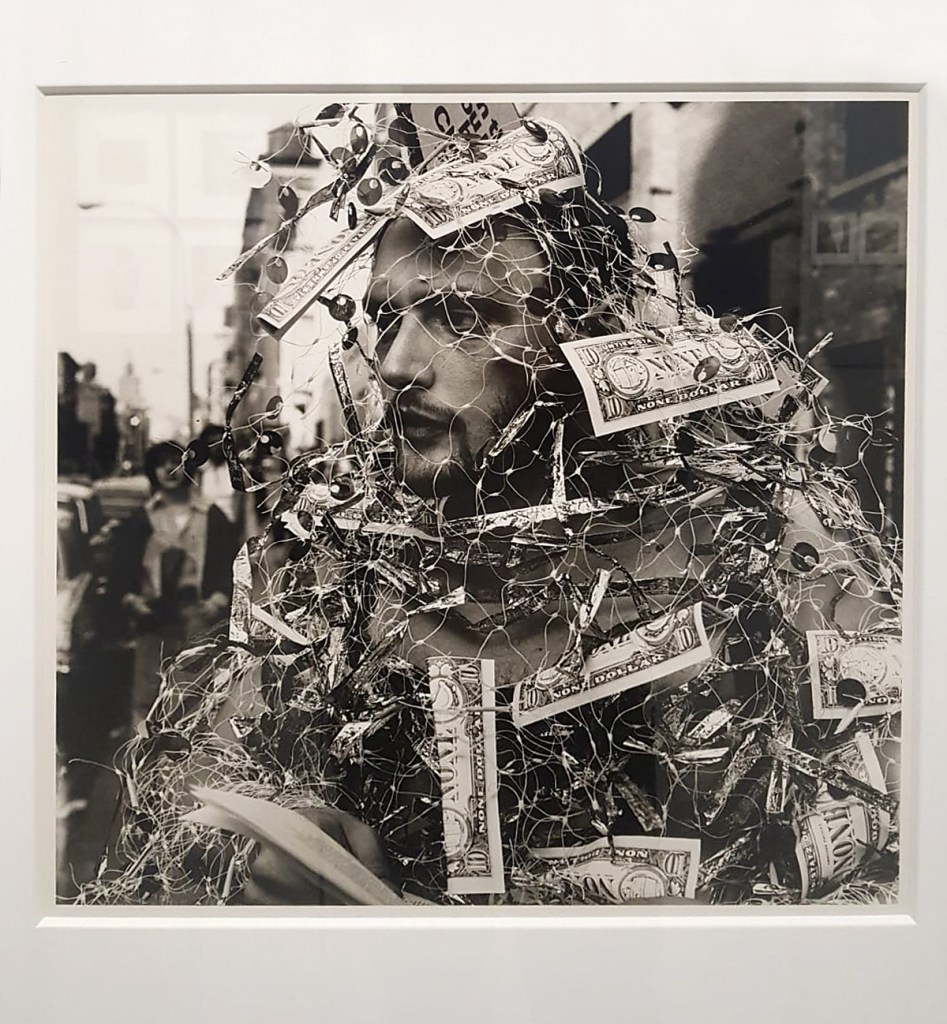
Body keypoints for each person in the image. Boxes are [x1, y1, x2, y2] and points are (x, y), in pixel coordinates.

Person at [83, 116, 900, 907]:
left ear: (583, 337)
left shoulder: (755, 554)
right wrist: (266, 848)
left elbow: (895, 846)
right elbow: (204, 797)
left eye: (462, 315)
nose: (398, 363)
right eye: (384, 316)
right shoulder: (337, 572)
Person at [115, 441, 239, 726]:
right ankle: (145, 764)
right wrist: (131, 600)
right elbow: (121, 570)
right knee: (148, 697)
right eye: (162, 463)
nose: (169, 469)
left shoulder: (212, 516)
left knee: (195, 693)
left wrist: (218, 599)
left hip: (197, 616)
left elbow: (230, 561)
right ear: (152, 471)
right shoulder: (141, 518)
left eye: (177, 461)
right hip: (152, 620)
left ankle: (184, 763)